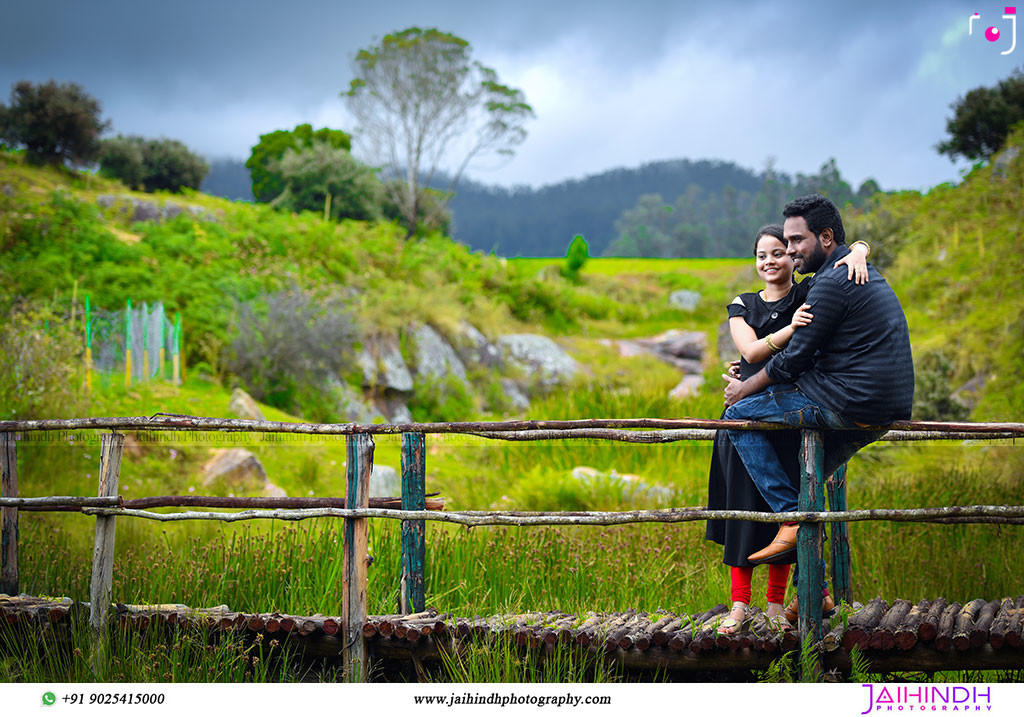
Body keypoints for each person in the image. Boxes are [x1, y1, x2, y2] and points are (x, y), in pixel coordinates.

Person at [722, 194, 914, 622]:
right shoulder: (847, 268)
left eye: (795, 241)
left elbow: (793, 361)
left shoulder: (829, 282)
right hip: (881, 410)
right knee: (803, 482)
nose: (789, 252)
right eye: (782, 243)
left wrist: (743, 390)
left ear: (825, 237)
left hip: (844, 400)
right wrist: (860, 247)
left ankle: (789, 520)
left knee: (737, 417)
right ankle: (817, 592)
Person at [708, 224, 870, 634]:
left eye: (779, 253)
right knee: (743, 516)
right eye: (762, 255)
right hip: (746, 425)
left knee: (785, 515)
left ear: (792, 257)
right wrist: (791, 329)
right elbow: (749, 351)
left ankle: (778, 606)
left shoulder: (807, 293)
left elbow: (840, 264)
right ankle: (740, 606)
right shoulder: (742, 304)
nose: (770, 262)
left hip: (789, 422)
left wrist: (861, 250)